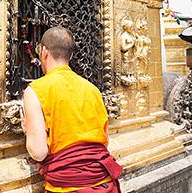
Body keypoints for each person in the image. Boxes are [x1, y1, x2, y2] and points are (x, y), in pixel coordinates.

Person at [21, 26, 122, 193]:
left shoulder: (36, 90)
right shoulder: (93, 90)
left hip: (69, 187)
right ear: (71, 55)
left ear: (43, 52)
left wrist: (27, 128)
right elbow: (103, 140)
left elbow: (38, 152)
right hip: (105, 184)